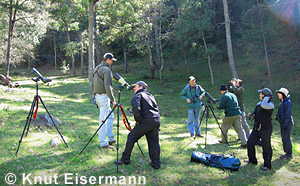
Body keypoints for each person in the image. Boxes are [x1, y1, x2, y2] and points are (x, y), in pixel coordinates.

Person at [115, 81, 161, 169]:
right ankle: (156, 163)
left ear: (141, 87)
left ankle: (125, 159)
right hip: (156, 120)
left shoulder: (138, 96)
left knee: (131, 137)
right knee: (153, 142)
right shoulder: (150, 95)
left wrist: (138, 121)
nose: (133, 88)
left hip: (146, 121)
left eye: (135, 86)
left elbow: (136, 109)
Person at [93, 52, 117, 150]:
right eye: (111, 60)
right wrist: (113, 100)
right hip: (103, 96)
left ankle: (111, 137)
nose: (112, 62)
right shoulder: (106, 70)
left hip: (98, 96)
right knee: (103, 120)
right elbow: (108, 85)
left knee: (110, 116)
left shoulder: (97, 68)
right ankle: (103, 143)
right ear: (107, 59)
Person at [246, 88, 274, 171]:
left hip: (265, 129)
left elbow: (264, 106)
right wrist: (252, 114)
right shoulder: (259, 104)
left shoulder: (269, 104)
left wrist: (267, 98)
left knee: (266, 147)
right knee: (250, 143)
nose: (259, 95)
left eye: (261, 94)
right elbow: (257, 111)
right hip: (257, 128)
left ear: (265, 96)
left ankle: (267, 165)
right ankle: (252, 160)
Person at [276, 87, 294, 160]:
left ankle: (289, 154)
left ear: (283, 94)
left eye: (279, 93)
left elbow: (287, 115)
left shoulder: (287, 103)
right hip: (283, 123)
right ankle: (286, 152)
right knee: (284, 138)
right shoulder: (283, 101)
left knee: (286, 138)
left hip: (287, 123)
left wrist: (285, 124)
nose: (278, 94)